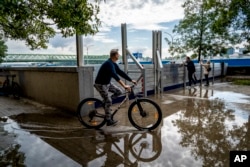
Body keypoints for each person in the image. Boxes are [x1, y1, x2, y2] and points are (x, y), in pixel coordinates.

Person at [94, 49, 137, 126]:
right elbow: (115, 76)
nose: (119, 55)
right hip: (100, 85)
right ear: (114, 55)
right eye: (118, 54)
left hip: (107, 83)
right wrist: (124, 86)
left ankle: (105, 103)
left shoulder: (113, 63)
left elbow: (120, 73)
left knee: (119, 92)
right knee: (109, 101)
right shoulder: (108, 64)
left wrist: (131, 80)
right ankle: (108, 120)